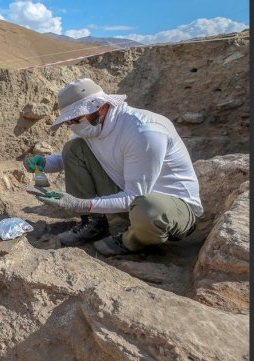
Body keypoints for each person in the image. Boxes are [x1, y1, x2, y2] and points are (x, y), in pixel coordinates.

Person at [24, 78, 202, 256]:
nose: (72, 126)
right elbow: (68, 158)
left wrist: (80, 203)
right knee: (74, 148)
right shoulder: (93, 126)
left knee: (148, 207)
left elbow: (135, 196)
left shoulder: (143, 132)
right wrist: (44, 163)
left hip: (169, 214)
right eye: (68, 122)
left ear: (100, 107)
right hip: (131, 204)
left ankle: (132, 241)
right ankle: (93, 224)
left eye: (75, 119)